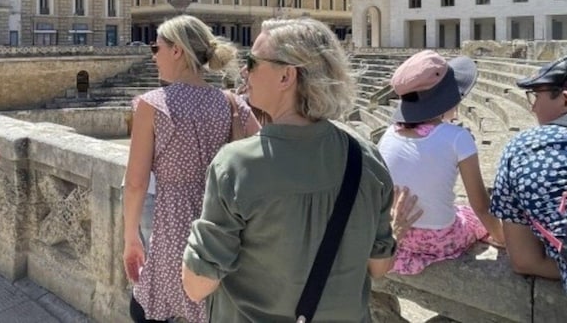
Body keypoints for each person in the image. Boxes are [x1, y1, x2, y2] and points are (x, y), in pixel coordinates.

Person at [182, 17, 400, 322]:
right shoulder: (365, 155)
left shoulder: (236, 164)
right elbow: (379, 267)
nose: (244, 71)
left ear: (287, 76)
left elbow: (197, 284)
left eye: (253, 61)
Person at [123, 15, 260, 323]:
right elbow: (265, 148)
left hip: (174, 225)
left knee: (152, 308)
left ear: (177, 51)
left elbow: (135, 183)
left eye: (156, 48)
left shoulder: (151, 104)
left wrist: (131, 238)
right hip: (221, 224)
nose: (153, 56)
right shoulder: (230, 102)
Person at [377, 50, 504, 275]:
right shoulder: (457, 137)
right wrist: (503, 237)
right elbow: (481, 205)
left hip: (399, 234)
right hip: (440, 238)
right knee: (470, 217)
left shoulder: (387, 135)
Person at [491, 56, 567, 290]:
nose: (532, 106)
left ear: (565, 98)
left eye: (536, 96)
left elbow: (524, 261)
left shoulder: (524, 148)